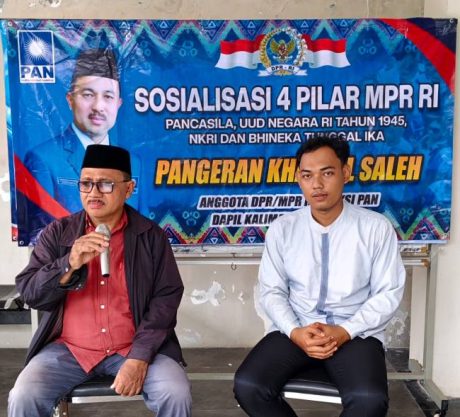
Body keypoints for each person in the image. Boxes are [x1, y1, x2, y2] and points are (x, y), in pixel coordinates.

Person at [8, 144, 191, 417]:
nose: (93, 193)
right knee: (24, 395)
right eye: (86, 183)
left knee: (175, 392)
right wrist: (68, 263)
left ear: (128, 189)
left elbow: (166, 299)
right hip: (69, 349)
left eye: (105, 184)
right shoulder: (58, 233)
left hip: (132, 348)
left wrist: (139, 357)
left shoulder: (150, 236)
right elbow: (30, 293)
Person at [233, 136, 406, 417]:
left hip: (355, 332)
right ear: (298, 180)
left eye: (327, 173)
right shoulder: (283, 229)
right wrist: (295, 331)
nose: (317, 184)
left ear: (345, 173)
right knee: (249, 385)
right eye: (307, 175)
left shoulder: (375, 228)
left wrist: (345, 330)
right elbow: (271, 291)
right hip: (297, 327)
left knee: (369, 399)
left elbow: (388, 293)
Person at [22, 48, 140, 243]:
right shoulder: (43, 159)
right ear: (70, 100)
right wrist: (76, 255)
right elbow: (40, 239)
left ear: (118, 104)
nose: (98, 107)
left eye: (108, 96)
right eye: (88, 94)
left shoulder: (134, 163)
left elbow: (140, 229)